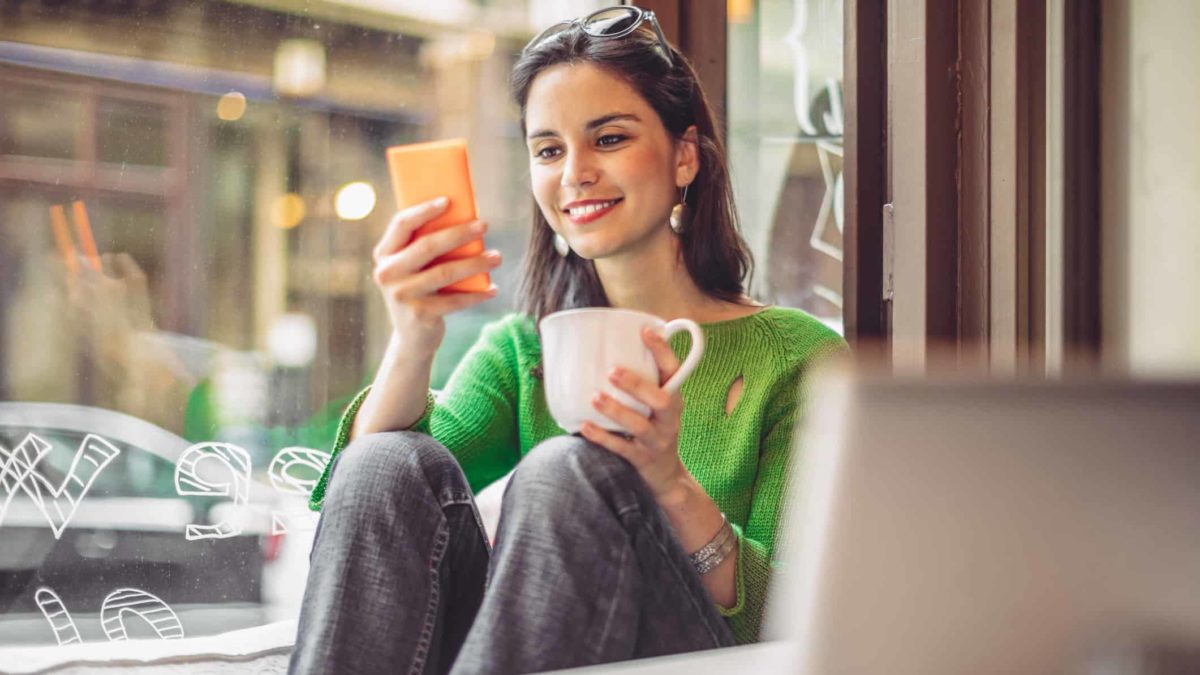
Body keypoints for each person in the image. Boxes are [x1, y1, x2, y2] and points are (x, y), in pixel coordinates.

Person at [289, 6, 846, 674]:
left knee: (565, 466)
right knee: (385, 460)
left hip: (708, 659)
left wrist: (669, 484)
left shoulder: (797, 360)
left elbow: (796, 618)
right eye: (548, 149)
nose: (573, 172)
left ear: (686, 156)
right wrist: (413, 336)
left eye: (608, 138)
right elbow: (372, 496)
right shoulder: (523, 350)